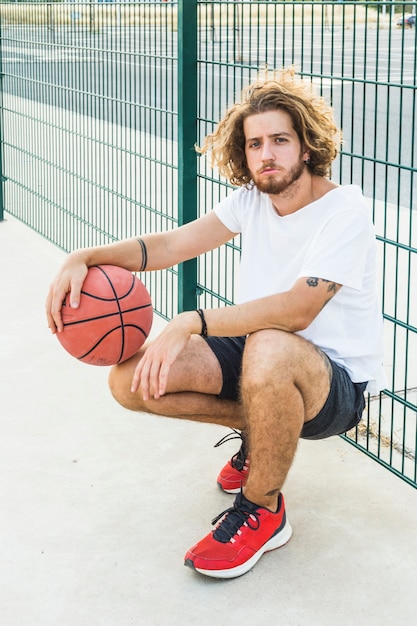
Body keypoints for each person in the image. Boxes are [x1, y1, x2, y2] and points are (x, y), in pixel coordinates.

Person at [46, 67, 385, 579]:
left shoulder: (346, 212)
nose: (266, 154)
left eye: (279, 140)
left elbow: (299, 309)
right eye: (254, 145)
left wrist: (192, 321)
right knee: (130, 382)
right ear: (243, 154)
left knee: (270, 342)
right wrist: (85, 256)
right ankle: (263, 432)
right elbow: (171, 245)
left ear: (307, 146)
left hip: (332, 386)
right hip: (261, 359)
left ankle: (263, 508)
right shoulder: (253, 199)